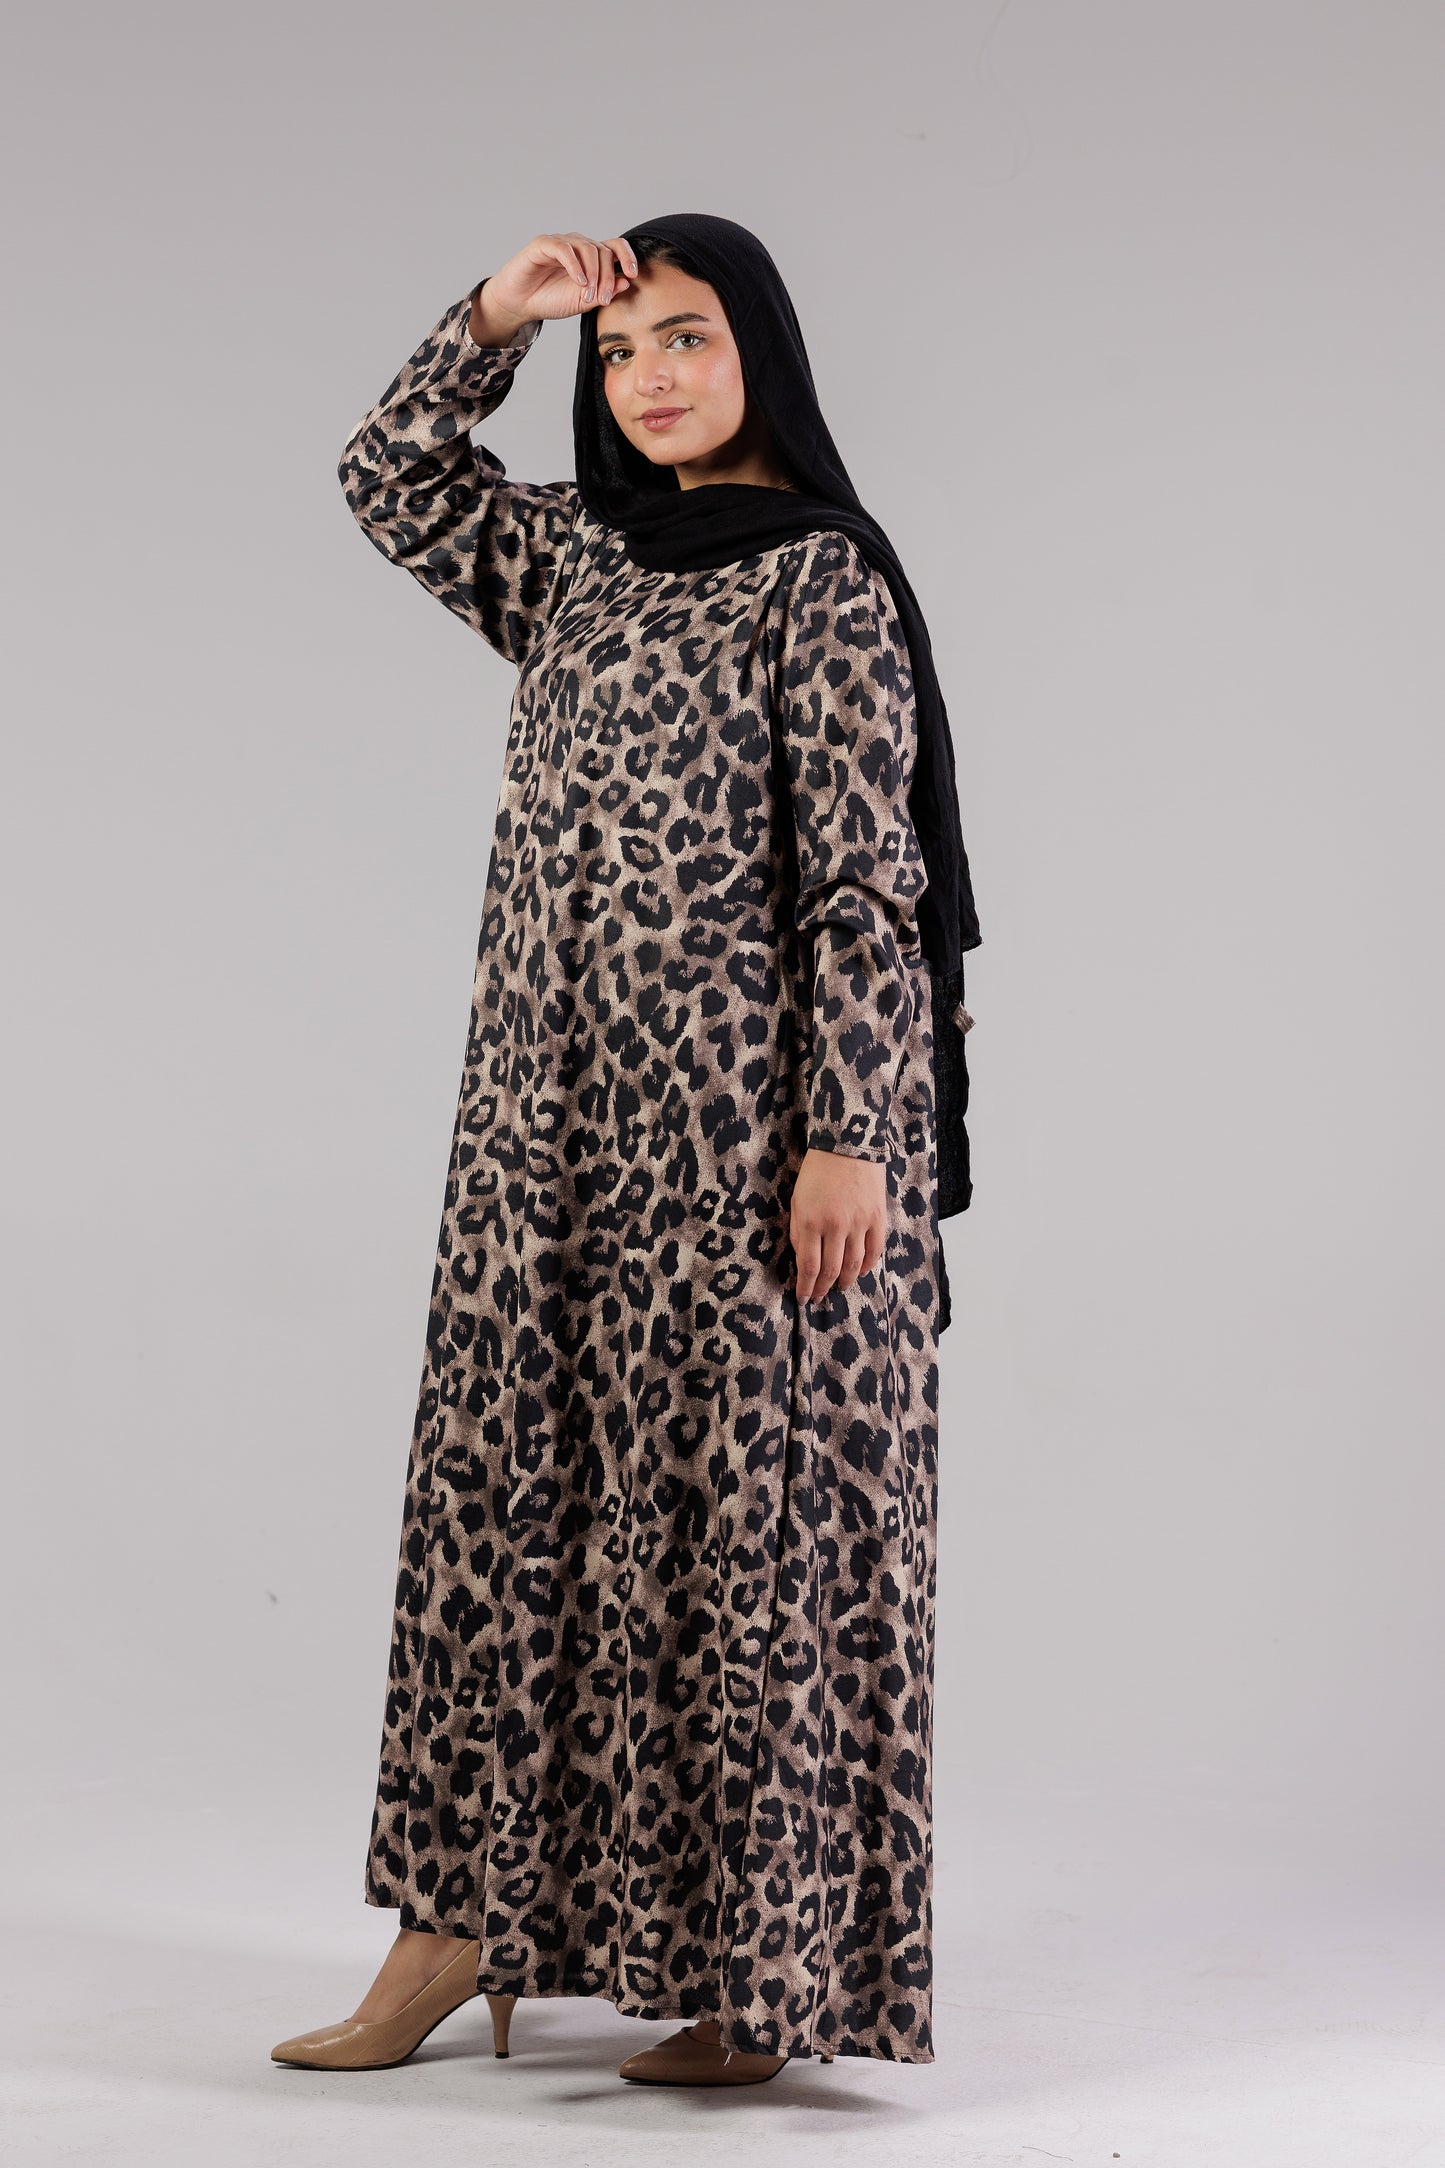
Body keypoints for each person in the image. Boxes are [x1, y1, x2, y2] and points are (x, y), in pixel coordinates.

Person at [270, 213, 981, 2088]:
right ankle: (451, 1928)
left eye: (685, 338)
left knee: (737, 1539)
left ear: (762, 354)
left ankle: (754, 1974)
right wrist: (497, 313)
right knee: (504, 1512)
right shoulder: (575, 558)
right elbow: (386, 475)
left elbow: (867, 886)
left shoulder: (818, 576)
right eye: (618, 351)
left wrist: (852, 1135)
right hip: (543, 1136)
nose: (648, 378)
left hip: (742, 1150)